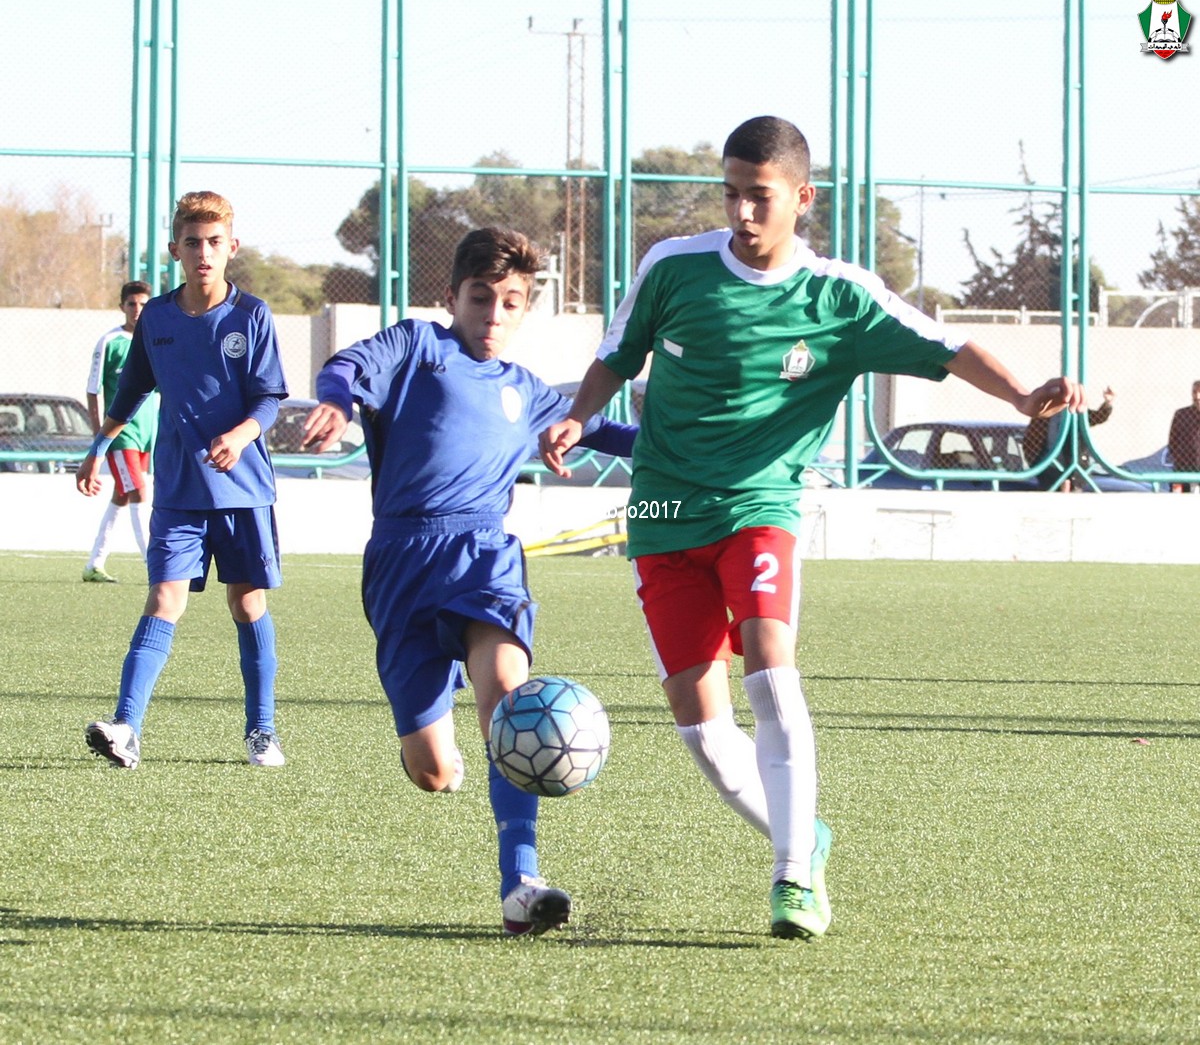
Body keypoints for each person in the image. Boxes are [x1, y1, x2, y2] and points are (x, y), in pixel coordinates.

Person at [541, 116, 1083, 941]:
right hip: (661, 512)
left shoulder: (841, 296)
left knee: (769, 665)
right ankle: (804, 835)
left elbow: (947, 346)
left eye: (759, 196)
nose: (741, 213)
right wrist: (580, 416)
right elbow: (618, 356)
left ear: (803, 197)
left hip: (762, 506)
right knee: (703, 730)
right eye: (730, 193)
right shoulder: (673, 267)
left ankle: (793, 875)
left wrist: (1019, 396)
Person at [299, 227, 636, 936]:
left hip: (484, 554)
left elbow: (605, 431)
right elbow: (346, 366)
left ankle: (521, 882)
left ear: (524, 308)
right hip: (402, 562)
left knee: (508, 702)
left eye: (510, 301)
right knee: (432, 771)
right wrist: (336, 400)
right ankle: (435, 747)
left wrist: (697, 448)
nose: (493, 314)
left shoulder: (527, 390)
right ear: (451, 296)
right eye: (480, 298)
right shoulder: (417, 347)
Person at [76, 191, 289, 769]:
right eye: (192, 242)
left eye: (214, 242)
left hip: (243, 490)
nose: (203, 253)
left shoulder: (251, 315)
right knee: (163, 598)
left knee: (247, 604)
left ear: (232, 247)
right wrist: (98, 448)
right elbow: (130, 392)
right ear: (175, 250)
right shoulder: (157, 319)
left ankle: (262, 732)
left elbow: (269, 398)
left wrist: (239, 436)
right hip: (178, 491)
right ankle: (126, 727)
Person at [81, 280, 156, 583]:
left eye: (143, 304)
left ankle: (94, 563)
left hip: (148, 433)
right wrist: (99, 436)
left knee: (123, 495)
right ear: (122, 306)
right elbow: (93, 389)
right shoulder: (110, 342)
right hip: (121, 435)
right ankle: (154, 566)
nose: (137, 310)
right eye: (132, 304)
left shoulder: (155, 340)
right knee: (139, 490)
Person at [1023, 385, 1115, 491]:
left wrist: (1108, 403)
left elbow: (1098, 417)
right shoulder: (1043, 416)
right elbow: (1030, 441)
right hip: (1049, 466)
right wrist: (1035, 462)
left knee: (1074, 493)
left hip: (1074, 467)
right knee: (1051, 493)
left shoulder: (1076, 413)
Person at [1167, 380, 1200, 492]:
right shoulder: (1182, 415)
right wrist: (1180, 460)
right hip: (1185, 470)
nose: (1198, 396)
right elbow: (1173, 442)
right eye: (1195, 392)